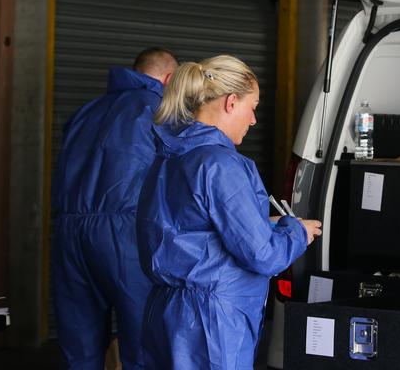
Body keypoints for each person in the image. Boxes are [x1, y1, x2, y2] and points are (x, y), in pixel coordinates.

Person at [136, 55, 322, 370]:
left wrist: (264, 221)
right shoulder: (220, 165)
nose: (253, 121)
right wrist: (296, 232)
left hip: (165, 311)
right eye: (253, 108)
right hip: (211, 320)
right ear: (231, 103)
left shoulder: (168, 158)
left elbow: (190, 227)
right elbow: (263, 255)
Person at [51, 47, 178, 370]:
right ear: (170, 78)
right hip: (124, 234)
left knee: (79, 344)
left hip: (68, 233)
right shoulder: (160, 110)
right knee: (141, 340)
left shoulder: (86, 111)